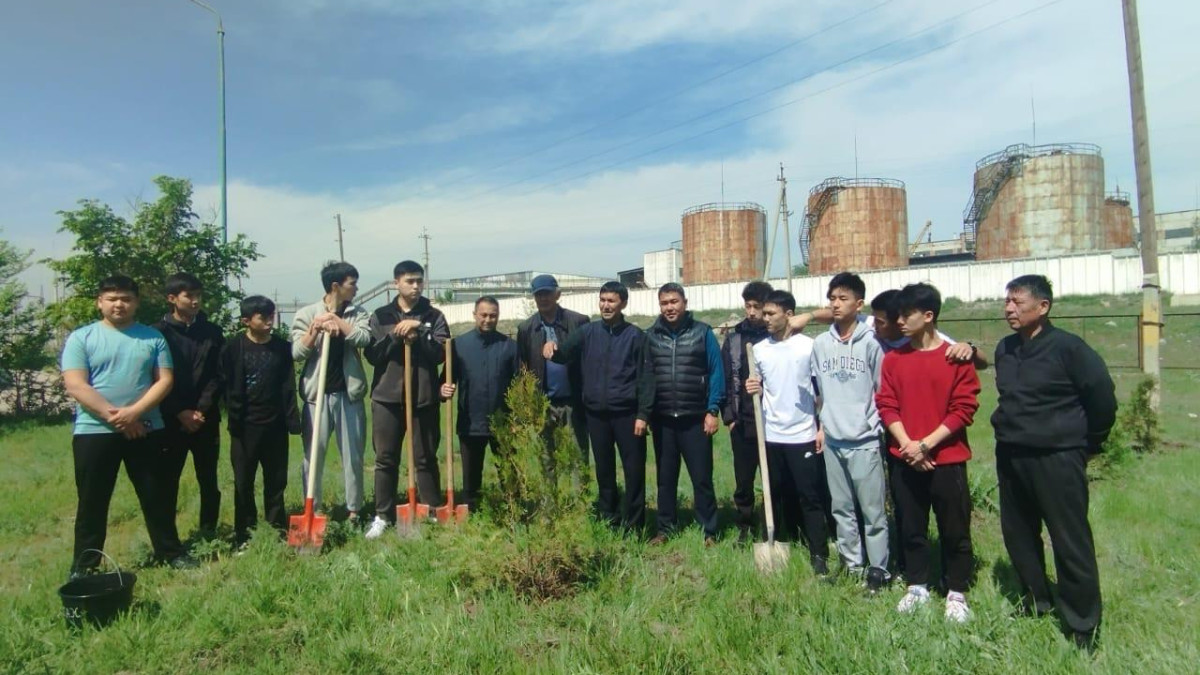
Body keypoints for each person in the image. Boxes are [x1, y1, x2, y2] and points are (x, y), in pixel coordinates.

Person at [991, 274, 1115, 649]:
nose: (1009, 308)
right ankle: (1036, 600)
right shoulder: (1006, 348)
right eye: (1007, 301)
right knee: (1019, 534)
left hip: (1057, 456)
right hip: (1012, 454)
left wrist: (1091, 442)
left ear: (1042, 307)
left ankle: (1082, 624)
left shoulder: (1069, 349)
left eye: (1017, 301)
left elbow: (1102, 397)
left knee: (1069, 538)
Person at [60, 275, 194, 577]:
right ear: (100, 302)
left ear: (136, 302)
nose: (119, 304)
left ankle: (170, 552)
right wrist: (118, 418)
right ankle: (85, 566)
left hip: (146, 428)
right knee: (92, 502)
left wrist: (134, 413)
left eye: (126, 299)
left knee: (156, 496)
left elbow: (165, 381)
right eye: (112, 298)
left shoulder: (152, 338)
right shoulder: (82, 338)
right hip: (94, 433)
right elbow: (77, 385)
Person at [876, 282, 980, 623]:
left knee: (954, 527)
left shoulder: (954, 358)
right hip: (904, 457)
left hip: (946, 459)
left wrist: (925, 444)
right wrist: (907, 445)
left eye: (907, 315)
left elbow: (963, 408)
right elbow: (886, 405)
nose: (900, 322)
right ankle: (917, 585)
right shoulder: (893, 360)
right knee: (911, 525)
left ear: (929, 315)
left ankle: (956, 591)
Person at [547, 281, 653, 531]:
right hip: (596, 415)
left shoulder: (636, 336)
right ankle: (609, 517)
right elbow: (564, 354)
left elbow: (646, 378)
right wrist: (552, 348)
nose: (606, 305)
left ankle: (635, 524)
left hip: (627, 415)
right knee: (604, 470)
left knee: (634, 471)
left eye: (611, 301)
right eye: (603, 300)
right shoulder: (588, 333)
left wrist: (643, 414)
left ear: (623, 303)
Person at [809, 272, 890, 591]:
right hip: (833, 439)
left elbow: (883, 390)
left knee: (872, 512)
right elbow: (819, 392)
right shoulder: (821, 344)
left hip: (864, 440)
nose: (836, 304)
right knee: (841, 509)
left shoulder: (873, 343)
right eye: (832, 298)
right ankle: (851, 565)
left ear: (860, 304)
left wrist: (874, 425)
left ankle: (878, 569)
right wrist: (821, 425)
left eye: (843, 298)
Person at [744, 290, 829, 575]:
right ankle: (781, 542)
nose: (764, 318)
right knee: (775, 493)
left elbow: (823, 391)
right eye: (763, 313)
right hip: (771, 434)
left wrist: (822, 426)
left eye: (770, 314)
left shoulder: (809, 346)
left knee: (810, 496)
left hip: (803, 432)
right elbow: (763, 388)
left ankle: (819, 553)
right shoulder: (759, 350)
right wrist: (754, 387)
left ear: (789, 315)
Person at [363, 260, 450, 539]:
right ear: (396, 283)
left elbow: (441, 354)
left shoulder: (434, 316)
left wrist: (420, 330)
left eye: (419, 281)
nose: (415, 286)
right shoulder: (381, 315)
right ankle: (383, 515)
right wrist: (395, 334)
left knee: (424, 457)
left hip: (422, 398)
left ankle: (430, 509)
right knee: (385, 458)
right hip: (387, 398)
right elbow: (372, 355)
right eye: (410, 281)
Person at [643, 283, 724, 546]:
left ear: (684, 303)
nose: (670, 307)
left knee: (701, 478)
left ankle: (708, 530)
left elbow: (716, 372)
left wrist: (713, 409)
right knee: (665, 479)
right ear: (660, 305)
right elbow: (646, 377)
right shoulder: (651, 336)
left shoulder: (702, 333)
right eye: (665, 303)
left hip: (695, 418)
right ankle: (665, 528)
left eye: (674, 302)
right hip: (663, 419)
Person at [291, 261, 371, 522]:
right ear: (336, 286)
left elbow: (363, 338)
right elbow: (296, 353)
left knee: (353, 456)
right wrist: (315, 329)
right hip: (317, 397)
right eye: (352, 283)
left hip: (349, 395)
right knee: (312, 456)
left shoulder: (357, 313)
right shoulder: (306, 314)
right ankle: (312, 510)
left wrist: (337, 321)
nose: (356, 288)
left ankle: (354, 510)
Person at [220, 295, 301, 549]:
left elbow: (289, 385)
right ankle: (244, 533)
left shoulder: (280, 347)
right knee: (244, 481)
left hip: (275, 425)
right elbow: (225, 384)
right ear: (246, 321)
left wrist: (291, 419)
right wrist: (234, 416)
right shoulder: (233, 348)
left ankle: (277, 528)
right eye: (262, 317)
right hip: (245, 426)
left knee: (276, 481)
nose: (269, 321)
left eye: (271, 316)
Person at [154, 272, 225, 536]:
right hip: (169, 419)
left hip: (205, 419)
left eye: (198, 295)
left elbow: (219, 375)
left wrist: (200, 410)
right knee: (167, 480)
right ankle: (167, 536)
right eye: (189, 296)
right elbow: (154, 378)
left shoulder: (212, 333)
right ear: (172, 298)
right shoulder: (156, 334)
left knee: (208, 479)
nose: (195, 301)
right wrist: (179, 411)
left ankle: (208, 531)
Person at [439, 297, 519, 512]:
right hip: (470, 420)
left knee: (508, 470)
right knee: (471, 471)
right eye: (483, 315)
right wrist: (443, 390)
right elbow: (445, 380)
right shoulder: (457, 345)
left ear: (498, 316)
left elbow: (520, 385)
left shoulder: (510, 347)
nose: (488, 319)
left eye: (493, 315)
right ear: (474, 314)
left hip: (503, 421)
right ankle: (470, 508)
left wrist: (517, 419)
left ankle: (513, 508)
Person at [792, 293, 987, 368]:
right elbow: (839, 314)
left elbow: (981, 364)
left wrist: (970, 348)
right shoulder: (872, 324)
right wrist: (808, 316)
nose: (874, 326)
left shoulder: (925, 340)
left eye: (881, 323)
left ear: (899, 322)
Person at [516, 274, 590, 465]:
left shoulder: (579, 322)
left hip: (573, 401)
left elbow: (588, 359)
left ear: (557, 295)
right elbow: (523, 366)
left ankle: (579, 495)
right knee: (546, 456)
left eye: (547, 293)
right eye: (539, 295)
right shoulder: (526, 328)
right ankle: (550, 496)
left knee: (578, 454)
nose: (543, 298)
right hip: (544, 402)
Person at [720, 281, 773, 544]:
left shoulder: (776, 338)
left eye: (758, 307)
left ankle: (772, 524)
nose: (751, 312)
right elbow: (725, 379)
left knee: (772, 477)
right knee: (744, 479)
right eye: (748, 306)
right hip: (743, 420)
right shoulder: (734, 339)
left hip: (773, 422)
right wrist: (729, 417)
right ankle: (744, 524)